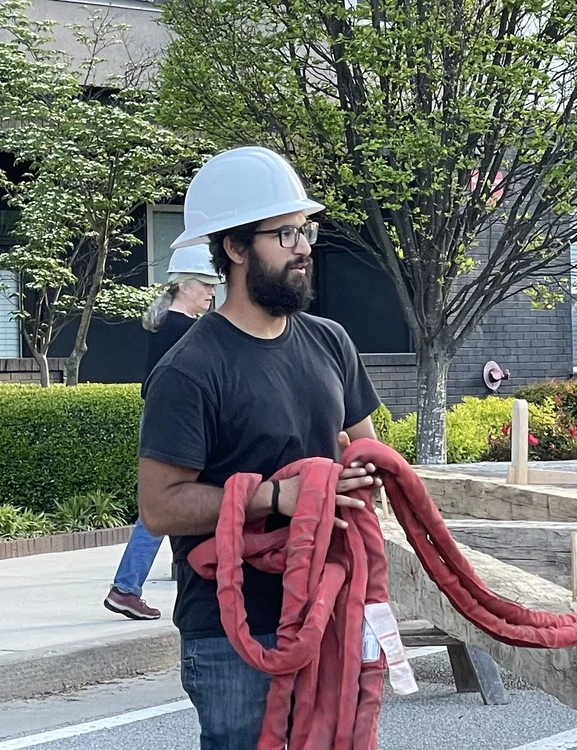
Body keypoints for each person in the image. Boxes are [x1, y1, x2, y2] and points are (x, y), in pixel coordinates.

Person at [136, 145, 383, 749]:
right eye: (284, 234)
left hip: (327, 608)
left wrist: (359, 481)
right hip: (232, 633)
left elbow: (367, 451)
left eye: (305, 230)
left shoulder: (331, 341)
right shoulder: (191, 369)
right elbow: (160, 506)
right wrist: (281, 497)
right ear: (235, 247)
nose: (304, 247)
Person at [104, 245, 222, 621]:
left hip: (161, 424)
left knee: (168, 506)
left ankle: (133, 586)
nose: (211, 292)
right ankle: (126, 587)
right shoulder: (186, 330)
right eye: (205, 284)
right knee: (167, 507)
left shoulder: (168, 326)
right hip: (177, 427)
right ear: (184, 286)